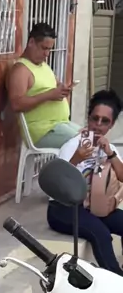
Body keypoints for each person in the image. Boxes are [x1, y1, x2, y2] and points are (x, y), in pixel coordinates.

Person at [48, 89, 123, 275]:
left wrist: (110, 154)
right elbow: (56, 183)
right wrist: (76, 159)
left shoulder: (109, 148)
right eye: (94, 119)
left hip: (94, 208)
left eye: (104, 121)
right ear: (88, 118)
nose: (98, 125)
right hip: (63, 209)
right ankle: (116, 281)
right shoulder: (72, 145)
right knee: (101, 234)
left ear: (112, 124)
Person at [7, 22, 80, 148]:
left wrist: (63, 90)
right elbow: (16, 104)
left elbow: (57, 85)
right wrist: (49, 95)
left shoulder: (43, 66)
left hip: (59, 124)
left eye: (49, 49)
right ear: (31, 42)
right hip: (41, 130)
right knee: (84, 144)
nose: (47, 54)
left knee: (93, 139)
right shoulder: (21, 70)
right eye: (44, 48)